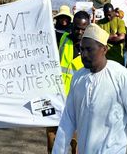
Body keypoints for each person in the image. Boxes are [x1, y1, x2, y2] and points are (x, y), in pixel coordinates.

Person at [53, 24, 127, 154]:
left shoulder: (121, 75)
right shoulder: (78, 77)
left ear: (104, 49)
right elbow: (67, 120)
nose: (83, 54)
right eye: (81, 49)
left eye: (89, 49)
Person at [46, 11, 89, 154]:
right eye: (77, 28)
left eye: (83, 29)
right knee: (52, 136)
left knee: (76, 142)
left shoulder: (91, 49)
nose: (80, 32)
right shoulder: (64, 38)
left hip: (77, 101)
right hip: (57, 96)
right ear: (72, 26)